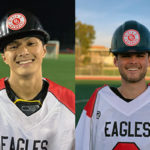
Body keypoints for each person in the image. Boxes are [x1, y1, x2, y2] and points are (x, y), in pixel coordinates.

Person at [0, 9, 75, 150]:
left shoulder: (70, 104)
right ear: (4, 57)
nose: (23, 52)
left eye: (31, 44)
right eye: (13, 46)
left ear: (44, 50)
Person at [76, 20, 150, 150]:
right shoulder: (99, 100)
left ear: (149, 60)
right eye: (126, 55)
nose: (133, 61)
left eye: (139, 55)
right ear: (116, 61)